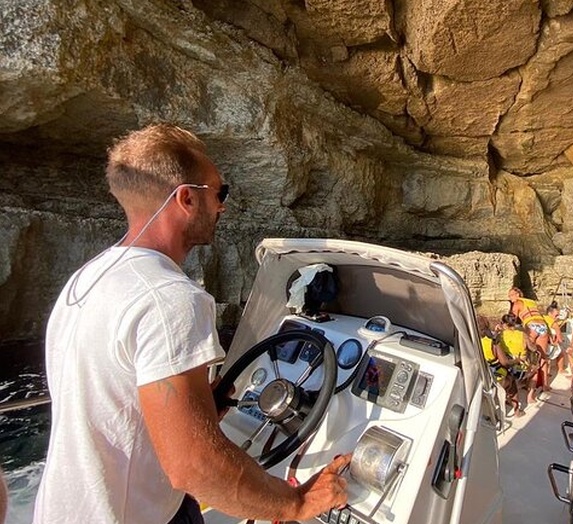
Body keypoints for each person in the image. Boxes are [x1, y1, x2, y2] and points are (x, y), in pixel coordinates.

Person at [34, 124, 350, 524]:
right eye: (220, 193)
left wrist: (198, 406)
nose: (222, 207)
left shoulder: (88, 279)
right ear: (186, 198)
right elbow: (194, 466)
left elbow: (114, 398)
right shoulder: (170, 299)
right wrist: (297, 504)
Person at [507, 287, 551, 394]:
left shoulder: (517, 303)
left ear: (518, 294)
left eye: (511, 295)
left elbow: (512, 318)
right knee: (543, 357)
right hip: (543, 326)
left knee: (531, 356)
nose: (510, 298)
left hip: (531, 325)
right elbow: (539, 316)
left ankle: (528, 384)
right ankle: (545, 385)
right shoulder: (531, 302)